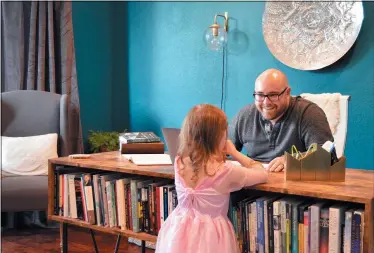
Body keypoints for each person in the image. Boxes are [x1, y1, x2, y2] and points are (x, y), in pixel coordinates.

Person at [155, 104, 268, 253]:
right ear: (218, 136)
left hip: (178, 231)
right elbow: (263, 173)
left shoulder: (179, 162)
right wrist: (234, 153)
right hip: (213, 237)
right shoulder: (225, 171)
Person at [229, 68, 334, 172]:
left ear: (287, 93)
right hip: (253, 182)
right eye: (260, 95)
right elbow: (221, 150)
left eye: (273, 95)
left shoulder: (309, 113)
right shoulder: (245, 115)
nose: (266, 102)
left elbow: (326, 155)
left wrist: (292, 160)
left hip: (294, 184)